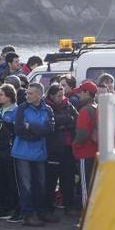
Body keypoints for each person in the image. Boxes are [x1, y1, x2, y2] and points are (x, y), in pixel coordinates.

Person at [12, 83, 56, 227]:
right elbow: (18, 129)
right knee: (27, 185)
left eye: (30, 93)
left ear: (39, 95)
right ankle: (28, 215)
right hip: (23, 152)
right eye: (27, 93)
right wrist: (37, 133)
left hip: (39, 152)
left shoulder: (47, 109)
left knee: (41, 184)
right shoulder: (21, 108)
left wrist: (31, 126)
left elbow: (50, 129)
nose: (27, 96)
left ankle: (41, 211)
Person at [44, 84, 78, 216]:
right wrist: (65, 121)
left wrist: (62, 123)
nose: (62, 97)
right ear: (52, 96)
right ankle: (48, 207)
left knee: (68, 179)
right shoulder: (46, 106)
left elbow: (76, 119)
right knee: (51, 180)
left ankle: (68, 206)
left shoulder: (68, 104)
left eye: (63, 94)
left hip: (67, 148)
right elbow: (52, 123)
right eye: (59, 95)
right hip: (53, 149)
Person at [0, 84, 20, 221]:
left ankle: (18, 209)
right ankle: (4, 207)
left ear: (9, 96)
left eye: (1, 94)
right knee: (0, 180)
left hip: (10, 151)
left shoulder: (16, 111)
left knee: (13, 181)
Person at [71, 81, 99, 207]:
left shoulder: (85, 110)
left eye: (81, 92)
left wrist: (75, 146)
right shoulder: (97, 107)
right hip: (96, 151)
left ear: (87, 93)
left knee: (85, 186)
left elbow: (82, 133)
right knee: (94, 185)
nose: (79, 96)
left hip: (85, 152)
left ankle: (86, 216)